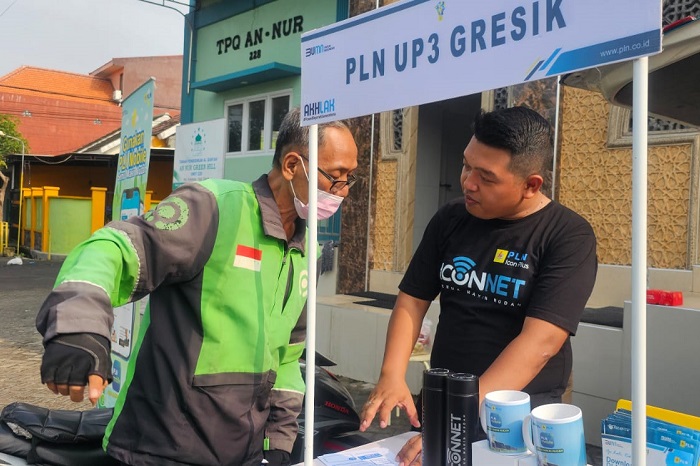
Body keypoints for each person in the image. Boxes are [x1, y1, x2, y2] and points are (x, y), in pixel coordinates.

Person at [35, 107, 359, 466]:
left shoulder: (307, 250)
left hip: (243, 454)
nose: (343, 191)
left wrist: (278, 442)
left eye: (350, 178)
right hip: (160, 450)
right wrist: (78, 325)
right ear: (292, 165)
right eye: (336, 177)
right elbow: (114, 249)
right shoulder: (213, 208)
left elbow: (288, 356)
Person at [359, 106, 597, 465]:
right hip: (445, 399)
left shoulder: (566, 235)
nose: (468, 182)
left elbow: (541, 343)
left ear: (531, 185)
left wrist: (458, 416)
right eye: (466, 165)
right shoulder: (451, 219)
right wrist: (392, 374)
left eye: (486, 177)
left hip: (517, 417)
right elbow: (412, 299)